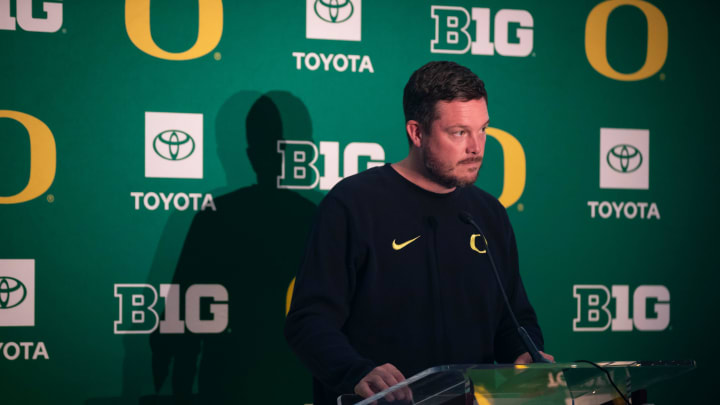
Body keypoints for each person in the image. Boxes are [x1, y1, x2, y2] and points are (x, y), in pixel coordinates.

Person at [284, 61, 552, 405]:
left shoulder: (488, 214)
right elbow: (309, 322)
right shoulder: (353, 204)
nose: (477, 147)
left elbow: (514, 319)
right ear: (417, 132)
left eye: (483, 129)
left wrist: (525, 354)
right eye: (459, 132)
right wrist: (356, 372)